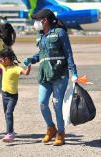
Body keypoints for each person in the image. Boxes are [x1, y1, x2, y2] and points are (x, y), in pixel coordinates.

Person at [22, 9, 78, 146]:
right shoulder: (40, 35)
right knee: (42, 103)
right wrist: (31, 59)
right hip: (44, 74)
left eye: (37, 20)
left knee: (57, 105)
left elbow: (68, 53)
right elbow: (42, 53)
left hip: (60, 74)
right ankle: (50, 128)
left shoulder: (60, 33)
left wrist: (74, 72)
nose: (35, 23)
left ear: (44, 20)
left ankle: (61, 133)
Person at [0, 48, 31, 143]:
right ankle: (10, 131)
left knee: (8, 113)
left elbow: (26, 73)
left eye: (2, 59)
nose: (0, 61)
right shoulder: (3, 66)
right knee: (6, 113)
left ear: (7, 59)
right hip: (4, 94)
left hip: (12, 96)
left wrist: (28, 65)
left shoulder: (16, 68)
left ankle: (10, 133)